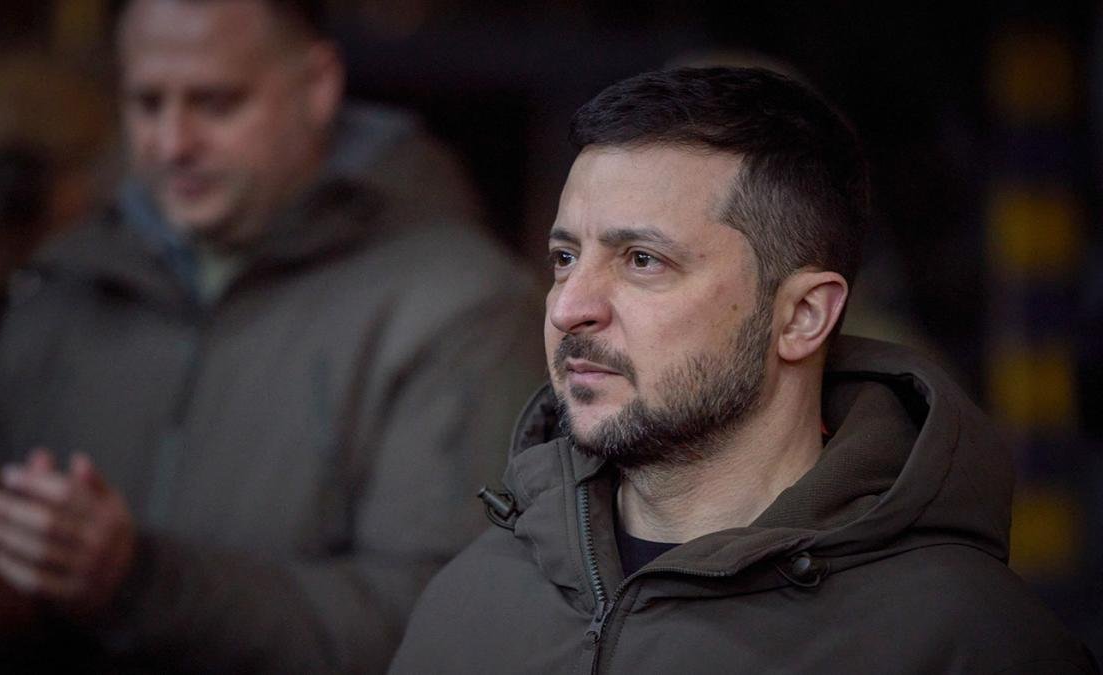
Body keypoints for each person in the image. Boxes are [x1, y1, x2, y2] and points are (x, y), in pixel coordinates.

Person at [390, 67, 1098, 673]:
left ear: (802, 317)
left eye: (643, 260)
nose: (569, 306)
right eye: (565, 257)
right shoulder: (473, 602)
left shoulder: (968, 641)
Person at [0, 0, 542, 671]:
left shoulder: (461, 306)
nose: (172, 143)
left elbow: (455, 631)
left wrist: (140, 582)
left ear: (317, 86)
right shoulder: (63, 290)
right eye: (147, 103)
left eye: (215, 103)